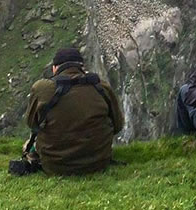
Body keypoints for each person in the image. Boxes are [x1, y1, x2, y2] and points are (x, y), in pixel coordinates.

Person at [19, 47, 124, 176]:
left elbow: (32, 123)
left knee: (30, 144)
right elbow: (118, 125)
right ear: (82, 67)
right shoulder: (101, 87)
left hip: (56, 167)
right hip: (98, 163)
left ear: (55, 68)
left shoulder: (43, 88)